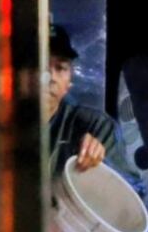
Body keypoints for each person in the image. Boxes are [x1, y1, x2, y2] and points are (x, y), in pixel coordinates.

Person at [47, 24, 116, 176]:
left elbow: (132, 191)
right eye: (40, 65)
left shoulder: (95, 126)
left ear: (69, 82)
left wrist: (100, 165)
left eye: (60, 68)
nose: (50, 77)